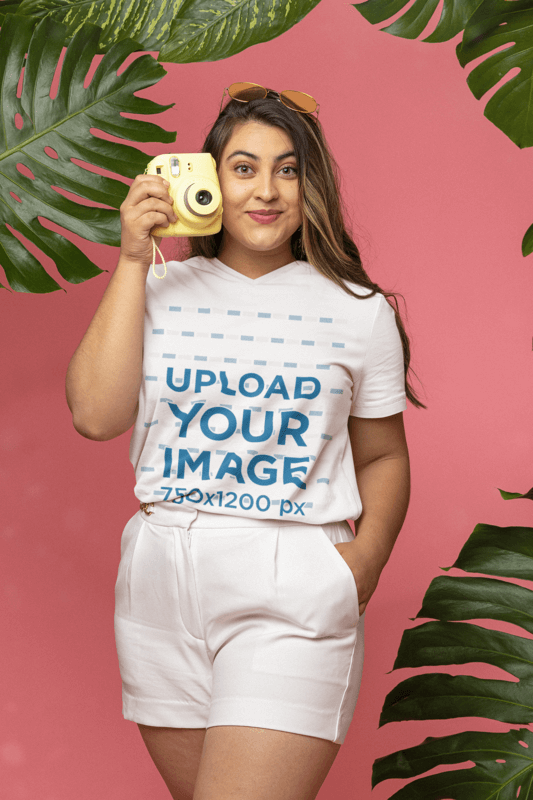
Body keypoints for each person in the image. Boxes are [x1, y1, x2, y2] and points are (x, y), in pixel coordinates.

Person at [65, 83, 422, 800]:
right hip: (162, 578)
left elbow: (382, 454)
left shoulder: (356, 311)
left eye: (287, 170)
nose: (266, 190)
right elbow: (95, 416)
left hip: (292, 577)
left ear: (310, 185)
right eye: (244, 167)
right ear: (207, 178)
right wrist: (134, 259)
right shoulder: (159, 288)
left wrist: (363, 562)